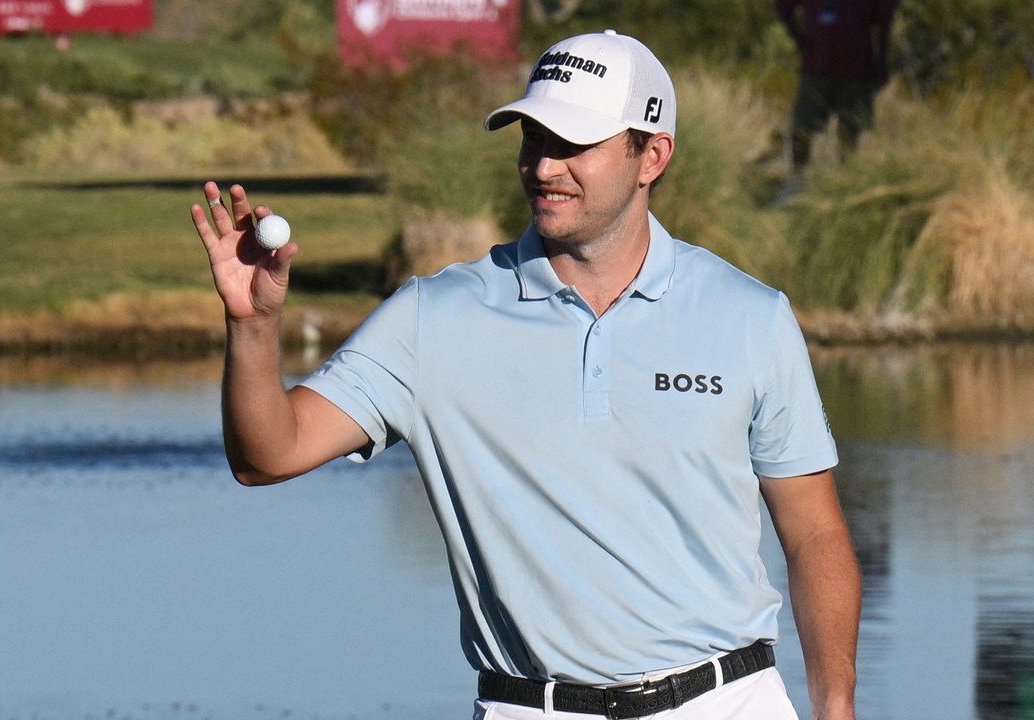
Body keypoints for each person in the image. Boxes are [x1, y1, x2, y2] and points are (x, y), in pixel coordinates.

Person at [191, 30, 861, 720]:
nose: (544, 167)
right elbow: (268, 456)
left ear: (650, 155)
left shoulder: (750, 316)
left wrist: (835, 705)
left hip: (727, 702)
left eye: (574, 144)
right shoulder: (432, 318)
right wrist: (252, 326)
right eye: (533, 138)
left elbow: (813, 531)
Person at [774, 0, 898, 202]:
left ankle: (843, 185)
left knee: (850, 131)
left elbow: (884, 21)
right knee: (802, 125)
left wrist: (882, 62)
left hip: (857, 67)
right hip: (817, 66)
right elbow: (783, 7)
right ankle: (795, 182)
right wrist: (799, 40)